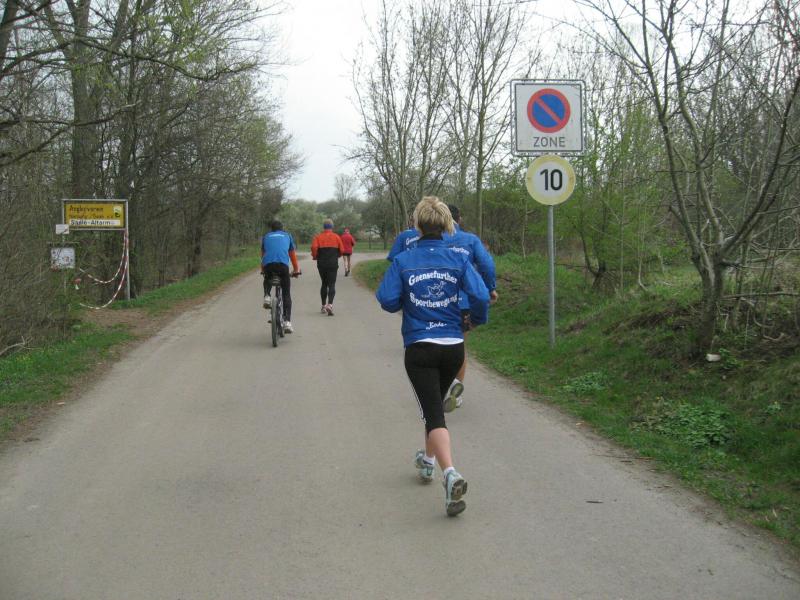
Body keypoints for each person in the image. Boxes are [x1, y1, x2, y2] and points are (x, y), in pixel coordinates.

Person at [376, 196, 489, 517]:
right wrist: (475, 320)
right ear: (448, 225)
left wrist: (408, 301)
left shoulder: (404, 259)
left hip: (421, 347)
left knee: (434, 414)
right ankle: (427, 461)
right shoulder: (459, 258)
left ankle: (450, 473)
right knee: (434, 408)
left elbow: (387, 299)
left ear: (417, 225)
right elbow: (480, 295)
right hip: (453, 347)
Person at [442, 204, 498, 413]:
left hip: (435, 301)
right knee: (459, 344)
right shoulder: (471, 240)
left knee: (435, 342)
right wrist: (490, 288)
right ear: (459, 219)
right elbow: (487, 265)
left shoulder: (430, 240)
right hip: (463, 302)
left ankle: (440, 385)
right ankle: (455, 388)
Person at [261, 219, 301, 333]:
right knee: (286, 294)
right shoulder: (287, 236)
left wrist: (262, 270)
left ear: (271, 229)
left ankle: (267, 296)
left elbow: (263, 255)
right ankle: (287, 322)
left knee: (267, 278)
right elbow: (292, 254)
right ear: (282, 229)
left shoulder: (266, 236)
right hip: (283, 267)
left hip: (268, 265)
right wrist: (296, 270)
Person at [311, 218, 344, 316]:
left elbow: (314, 247)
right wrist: (338, 255)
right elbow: (342, 250)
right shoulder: (337, 237)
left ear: (323, 227)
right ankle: (330, 305)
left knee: (324, 283)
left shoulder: (318, 237)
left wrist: (315, 256)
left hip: (321, 264)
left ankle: (323, 306)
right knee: (332, 284)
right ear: (332, 227)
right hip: (333, 263)